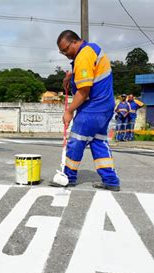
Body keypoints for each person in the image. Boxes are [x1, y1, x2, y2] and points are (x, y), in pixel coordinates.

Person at [57, 30, 120, 191]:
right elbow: (90, 73)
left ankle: (68, 177)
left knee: (76, 141)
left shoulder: (83, 56)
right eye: (62, 52)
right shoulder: (92, 49)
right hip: (105, 107)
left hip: (93, 108)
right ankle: (111, 180)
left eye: (65, 50)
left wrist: (69, 111)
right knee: (98, 142)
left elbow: (84, 91)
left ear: (75, 42)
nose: (65, 54)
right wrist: (71, 76)